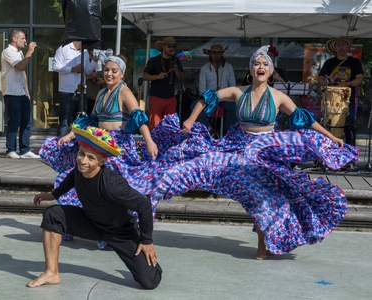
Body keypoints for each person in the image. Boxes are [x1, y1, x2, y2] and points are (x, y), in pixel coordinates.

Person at [151, 45, 359, 260]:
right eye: (256, 64)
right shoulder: (237, 91)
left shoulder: (279, 97)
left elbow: (306, 120)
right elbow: (206, 98)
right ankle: (158, 188)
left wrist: (331, 136)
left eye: (265, 64)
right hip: (238, 146)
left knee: (264, 198)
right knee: (202, 162)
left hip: (265, 152)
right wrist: (191, 119)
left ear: (271, 70)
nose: (261, 66)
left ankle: (263, 244)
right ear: (251, 70)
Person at [40, 55, 158, 249]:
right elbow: (92, 121)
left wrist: (149, 140)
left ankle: (117, 231)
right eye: (107, 70)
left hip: (118, 148)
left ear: (122, 73)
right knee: (81, 177)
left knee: (108, 188)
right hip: (99, 144)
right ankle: (74, 222)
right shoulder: (102, 93)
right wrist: (70, 135)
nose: (109, 74)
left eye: (114, 71)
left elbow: (138, 117)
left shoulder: (125, 92)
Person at [28, 125, 162, 289]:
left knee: (149, 281)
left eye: (91, 158)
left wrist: (146, 240)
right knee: (52, 214)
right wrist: (54, 195)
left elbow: (144, 204)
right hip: (91, 223)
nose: (83, 161)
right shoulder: (79, 169)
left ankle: (148, 267)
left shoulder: (111, 184)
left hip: (120, 232)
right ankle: (51, 272)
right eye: (81, 154)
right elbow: (72, 176)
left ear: (101, 161)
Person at [318, 37, 364, 151]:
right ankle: (329, 153)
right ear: (335, 48)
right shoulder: (329, 63)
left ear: (348, 47)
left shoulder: (354, 62)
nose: (341, 47)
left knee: (349, 126)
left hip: (348, 100)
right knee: (330, 127)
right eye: (338, 45)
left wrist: (347, 84)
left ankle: (350, 155)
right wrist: (329, 82)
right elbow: (320, 79)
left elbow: (360, 79)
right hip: (331, 101)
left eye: (343, 45)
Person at [1, 29, 40, 159]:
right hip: (11, 92)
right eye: (22, 38)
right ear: (14, 39)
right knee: (14, 121)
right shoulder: (8, 52)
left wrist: (27, 91)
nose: (25, 41)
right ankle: (11, 150)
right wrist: (30, 51)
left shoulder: (20, 53)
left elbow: (23, 73)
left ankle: (25, 150)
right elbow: (20, 67)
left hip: (22, 92)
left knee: (26, 121)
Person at [53, 41, 97, 137]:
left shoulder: (85, 51)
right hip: (67, 91)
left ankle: (78, 148)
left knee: (81, 122)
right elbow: (55, 66)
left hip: (82, 91)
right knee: (65, 121)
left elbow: (87, 70)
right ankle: (61, 148)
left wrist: (94, 60)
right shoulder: (63, 48)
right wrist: (72, 69)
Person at [143, 36, 185, 130]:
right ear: (163, 46)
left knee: (171, 127)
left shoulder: (176, 61)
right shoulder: (154, 60)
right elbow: (145, 76)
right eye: (169, 46)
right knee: (154, 125)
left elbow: (182, 77)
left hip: (170, 98)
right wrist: (157, 76)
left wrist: (176, 71)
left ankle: (169, 144)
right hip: (156, 97)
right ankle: (154, 144)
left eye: (173, 47)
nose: (171, 49)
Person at [196, 43, 237, 134]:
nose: (216, 55)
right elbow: (202, 90)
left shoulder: (228, 67)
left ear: (222, 54)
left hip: (225, 98)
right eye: (214, 53)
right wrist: (211, 100)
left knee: (237, 109)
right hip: (209, 98)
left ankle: (224, 130)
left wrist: (225, 97)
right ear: (210, 54)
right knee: (193, 107)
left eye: (218, 53)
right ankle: (208, 128)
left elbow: (233, 87)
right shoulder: (204, 68)